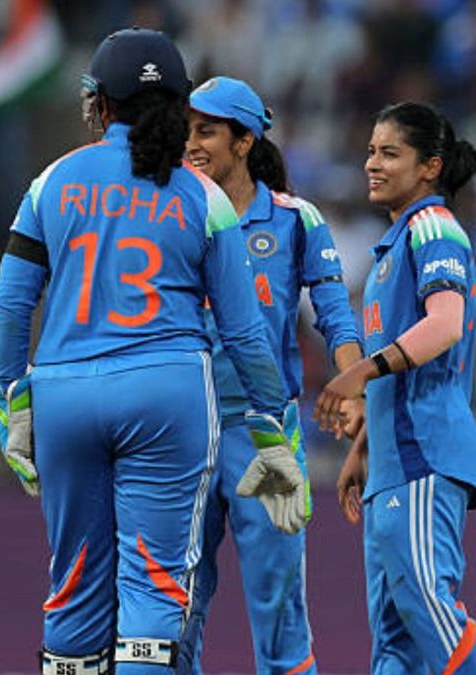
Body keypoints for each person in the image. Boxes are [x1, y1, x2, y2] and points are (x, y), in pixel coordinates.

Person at [0, 28, 307, 675]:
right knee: (155, 585)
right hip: (167, 393)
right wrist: (275, 433)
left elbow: (11, 304)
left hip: (65, 390)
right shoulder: (204, 196)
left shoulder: (53, 181)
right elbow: (245, 334)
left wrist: (10, 404)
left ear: (100, 105)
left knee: (74, 577)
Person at [178, 76, 364, 674]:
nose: (191, 143)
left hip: (264, 434)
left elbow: (335, 316)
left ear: (244, 140)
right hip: (179, 428)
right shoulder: (170, 211)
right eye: (186, 130)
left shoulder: (295, 219)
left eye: (205, 131)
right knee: (175, 605)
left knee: (280, 606)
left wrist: (353, 385)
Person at [314, 102, 476, 674]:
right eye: (371, 150)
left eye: (390, 152)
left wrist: (360, 371)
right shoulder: (394, 246)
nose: (373, 163)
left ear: (430, 166)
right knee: (396, 642)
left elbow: (445, 324)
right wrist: (364, 444)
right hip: (393, 462)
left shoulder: (434, 227)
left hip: (424, 454)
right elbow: (411, 360)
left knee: (432, 613)